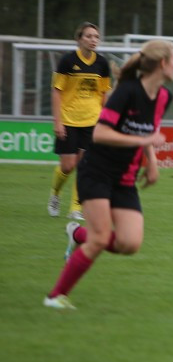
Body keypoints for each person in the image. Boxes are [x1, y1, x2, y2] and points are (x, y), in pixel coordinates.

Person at [43, 39, 173, 310]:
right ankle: (55, 297)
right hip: (97, 171)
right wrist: (144, 143)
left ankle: (78, 235)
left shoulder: (164, 97)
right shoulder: (126, 91)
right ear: (162, 64)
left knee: (130, 243)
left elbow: (147, 131)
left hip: (125, 179)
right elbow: (101, 133)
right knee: (102, 238)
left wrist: (151, 162)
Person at [48, 22, 112, 221]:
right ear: (79, 39)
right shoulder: (67, 61)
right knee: (68, 166)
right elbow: (57, 92)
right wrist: (57, 121)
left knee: (84, 166)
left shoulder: (102, 63)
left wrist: (105, 119)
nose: (93, 40)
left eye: (96, 37)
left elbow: (104, 92)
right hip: (68, 120)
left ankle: (76, 207)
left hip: (91, 121)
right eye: (89, 36)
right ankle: (55, 194)